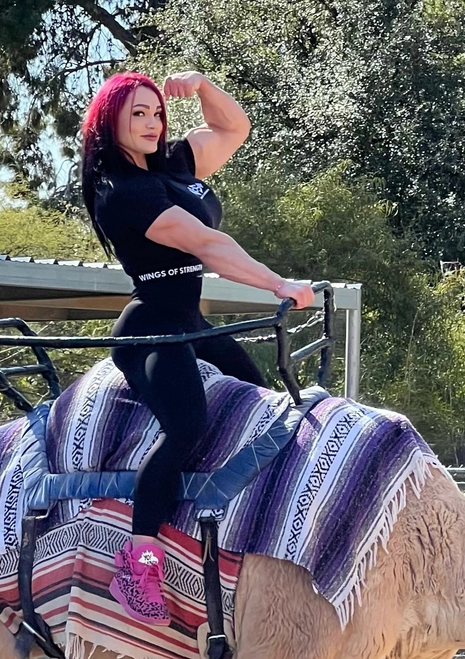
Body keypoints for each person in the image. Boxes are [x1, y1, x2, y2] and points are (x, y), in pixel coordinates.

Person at [81, 70, 315, 626]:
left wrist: (204, 86)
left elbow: (234, 129)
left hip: (191, 323)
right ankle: (138, 566)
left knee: (267, 404)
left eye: (156, 112)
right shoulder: (123, 193)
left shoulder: (173, 165)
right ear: (110, 123)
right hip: (150, 329)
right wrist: (278, 284)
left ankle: (245, 531)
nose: (151, 123)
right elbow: (208, 244)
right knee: (186, 425)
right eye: (137, 114)